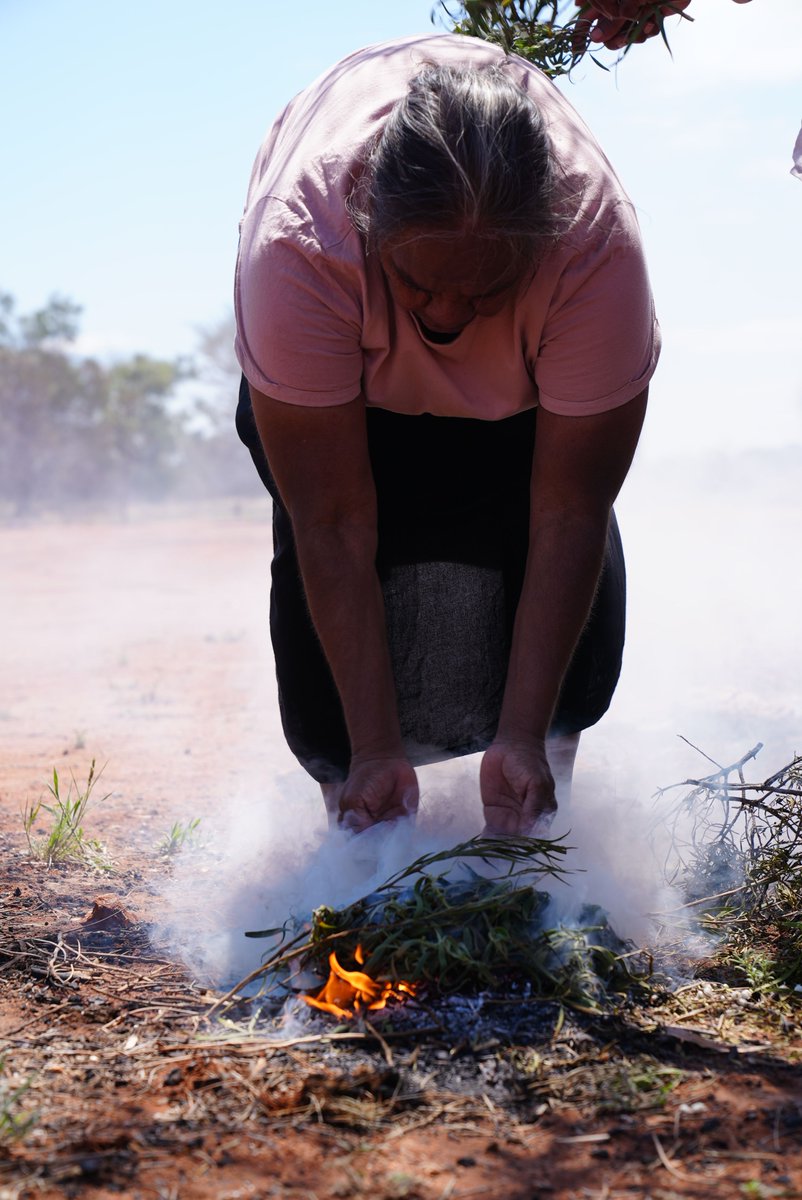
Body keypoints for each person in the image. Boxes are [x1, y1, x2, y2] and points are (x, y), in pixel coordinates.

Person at [234, 33, 660, 837]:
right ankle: (360, 832)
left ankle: (538, 813)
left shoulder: (595, 251)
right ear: (369, 232)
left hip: (527, 398)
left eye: (486, 289)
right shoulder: (301, 247)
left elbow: (568, 509)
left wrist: (525, 734)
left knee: (564, 639)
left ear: (539, 250)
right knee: (336, 702)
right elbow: (333, 520)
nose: (446, 318)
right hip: (348, 391)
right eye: (419, 284)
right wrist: (371, 748)